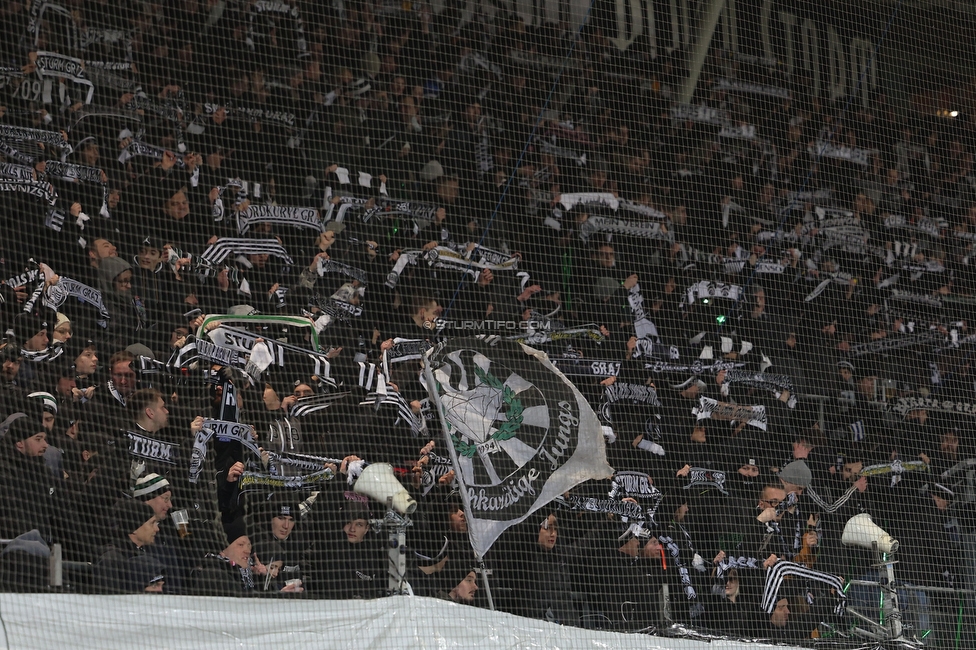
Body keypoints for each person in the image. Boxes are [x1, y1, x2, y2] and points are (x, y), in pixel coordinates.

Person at [95, 499, 165, 593]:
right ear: (134, 528)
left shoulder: (146, 551)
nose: (157, 529)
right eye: (152, 523)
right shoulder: (112, 559)